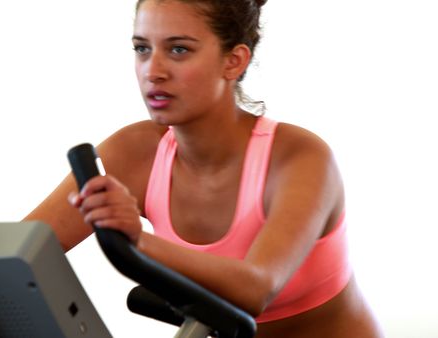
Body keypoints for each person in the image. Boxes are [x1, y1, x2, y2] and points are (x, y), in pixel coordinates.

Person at [25, 0, 383, 337]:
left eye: (179, 49)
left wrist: (136, 240)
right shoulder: (135, 153)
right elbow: (15, 250)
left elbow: (255, 288)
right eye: (142, 48)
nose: (154, 71)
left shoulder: (300, 159)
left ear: (234, 61)